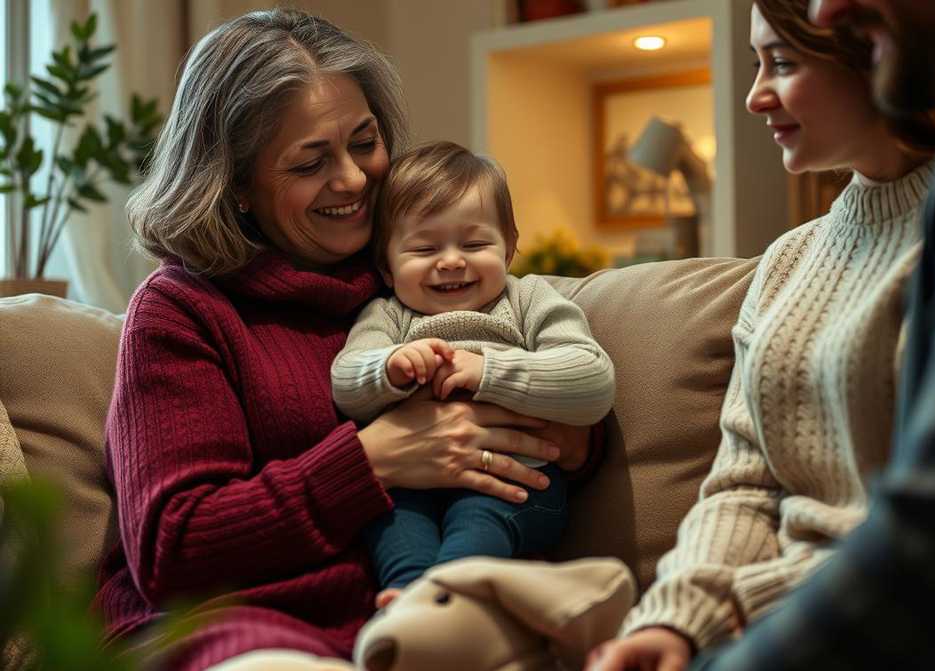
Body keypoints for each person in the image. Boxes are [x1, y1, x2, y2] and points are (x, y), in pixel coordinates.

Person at [95, 9, 594, 670]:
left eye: (364, 142)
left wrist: (562, 430)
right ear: (237, 183)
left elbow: (554, 389)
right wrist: (373, 459)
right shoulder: (182, 310)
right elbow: (172, 546)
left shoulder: (418, 275)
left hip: (417, 613)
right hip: (238, 624)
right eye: (311, 162)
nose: (355, 179)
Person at [586, 1, 935, 669]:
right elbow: (744, 480)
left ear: (876, 55)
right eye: (756, 63)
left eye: (782, 64)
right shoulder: (789, 260)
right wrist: (676, 617)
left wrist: (735, 606)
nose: (755, 97)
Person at [331, 141, 615, 607]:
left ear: (509, 249)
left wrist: (488, 370)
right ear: (385, 265)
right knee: (390, 519)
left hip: (514, 485)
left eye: (475, 243)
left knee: (478, 519)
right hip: (409, 487)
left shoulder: (528, 301)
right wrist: (388, 368)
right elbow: (345, 382)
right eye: (424, 248)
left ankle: (443, 602)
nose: (451, 261)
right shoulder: (386, 317)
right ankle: (407, 605)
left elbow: (593, 380)